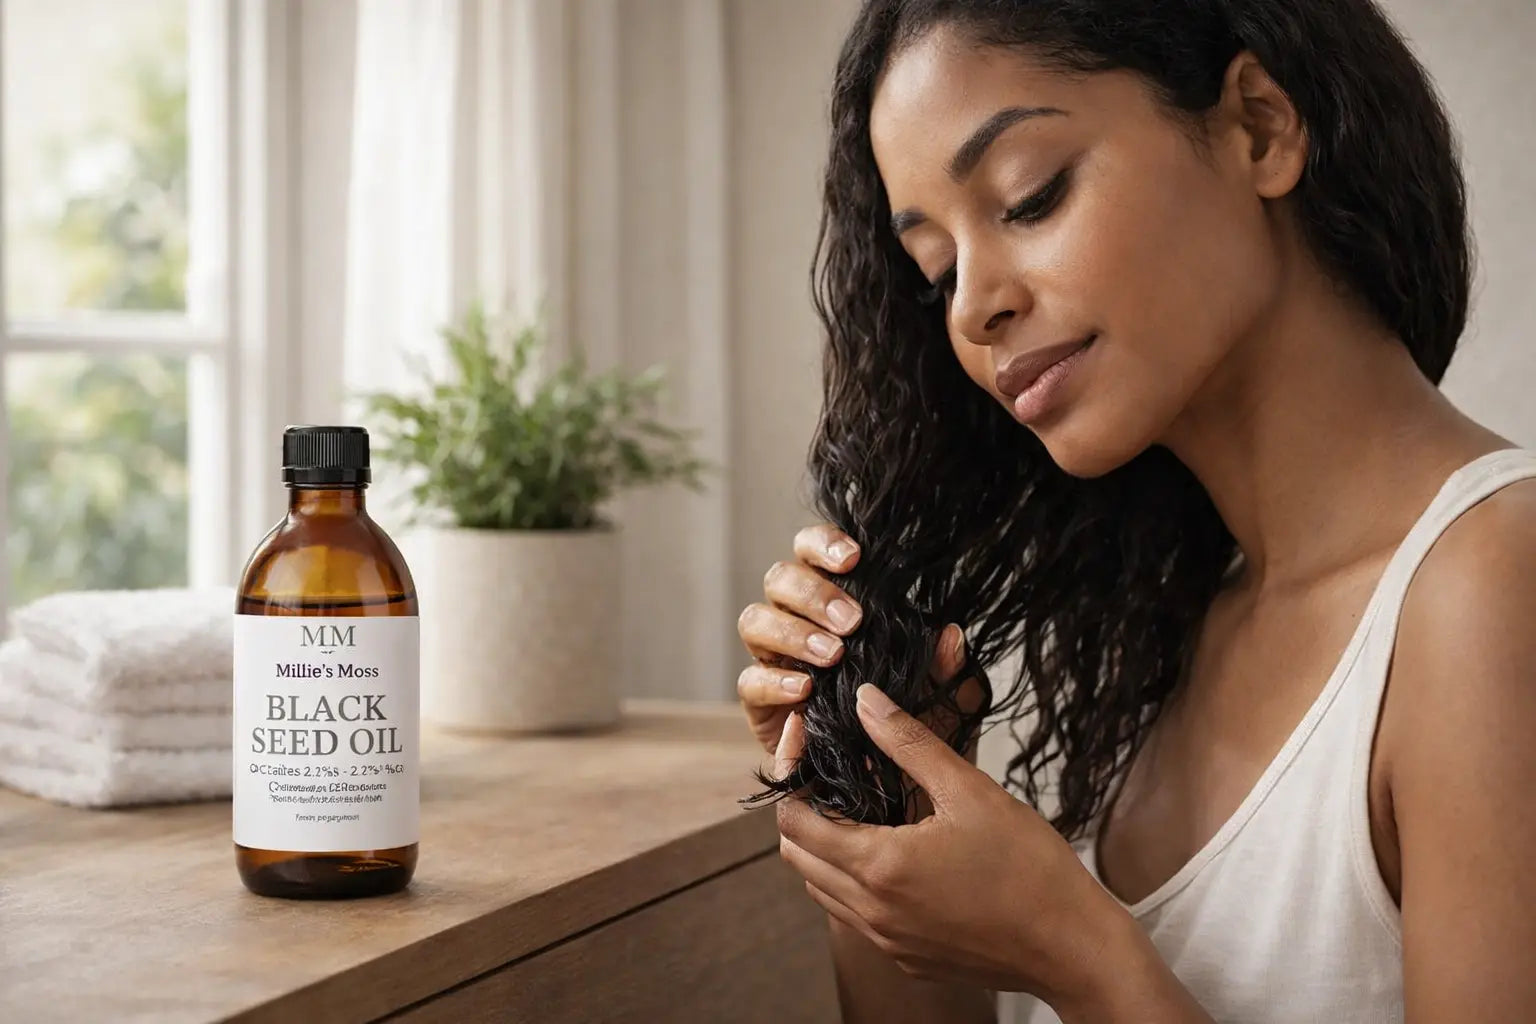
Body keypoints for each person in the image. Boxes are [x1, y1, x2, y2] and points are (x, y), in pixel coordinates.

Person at [734, 1, 1536, 1021]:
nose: (975, 304)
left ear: (1259, 126)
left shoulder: (1494, 590)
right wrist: (877, 803)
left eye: (1030, 196)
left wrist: (1076, 953)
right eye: (936, 270)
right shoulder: (1171, 627)